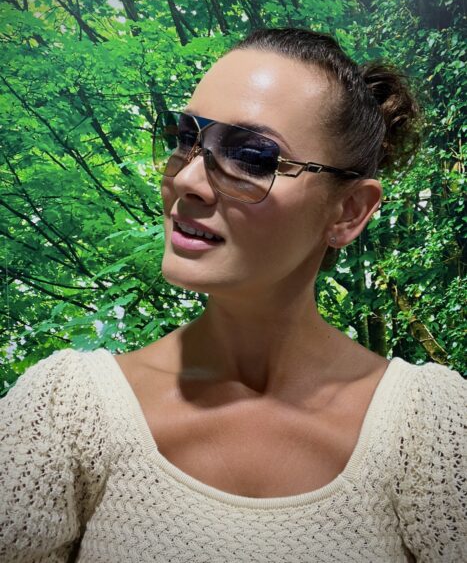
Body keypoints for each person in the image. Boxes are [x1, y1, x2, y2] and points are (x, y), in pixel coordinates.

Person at [1, 28, 465, 562]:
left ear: (349, 211)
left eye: (251, 156)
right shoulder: (64, 417)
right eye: (186, 138)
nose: (187, 181)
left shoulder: (431, 433)